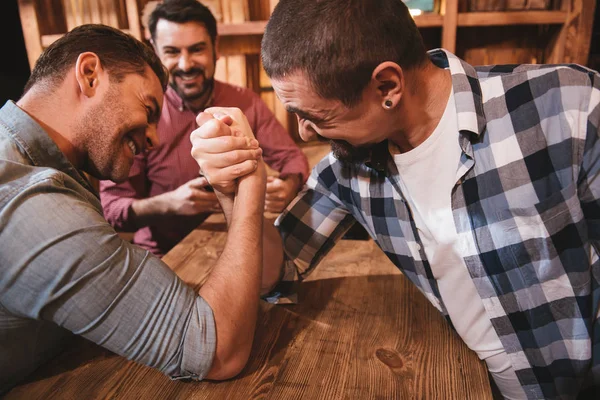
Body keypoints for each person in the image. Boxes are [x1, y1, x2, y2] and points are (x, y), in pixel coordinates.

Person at [189, 0, 600, 399]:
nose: (305, 133)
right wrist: (238, 189)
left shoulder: (568, 106)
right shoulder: (348, 168)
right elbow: (273, 273)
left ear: (387, 86)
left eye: (316, 116)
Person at [0, 24, 272, 394]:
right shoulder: (32, 205)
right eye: (147, 108)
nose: (155, 138)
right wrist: (248, 183)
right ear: (90, 75)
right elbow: (218, 350)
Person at [99, 0, 309, 258]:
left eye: (197, 49)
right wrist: (168, 204)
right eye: (172, 52)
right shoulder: (138, 116)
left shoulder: (245, 102)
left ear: (215, 48)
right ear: (154, 52)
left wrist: (288, 186)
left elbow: (293, 158)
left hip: (238, 245)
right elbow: (111, 210)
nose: (186, 64)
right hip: (163, 256)